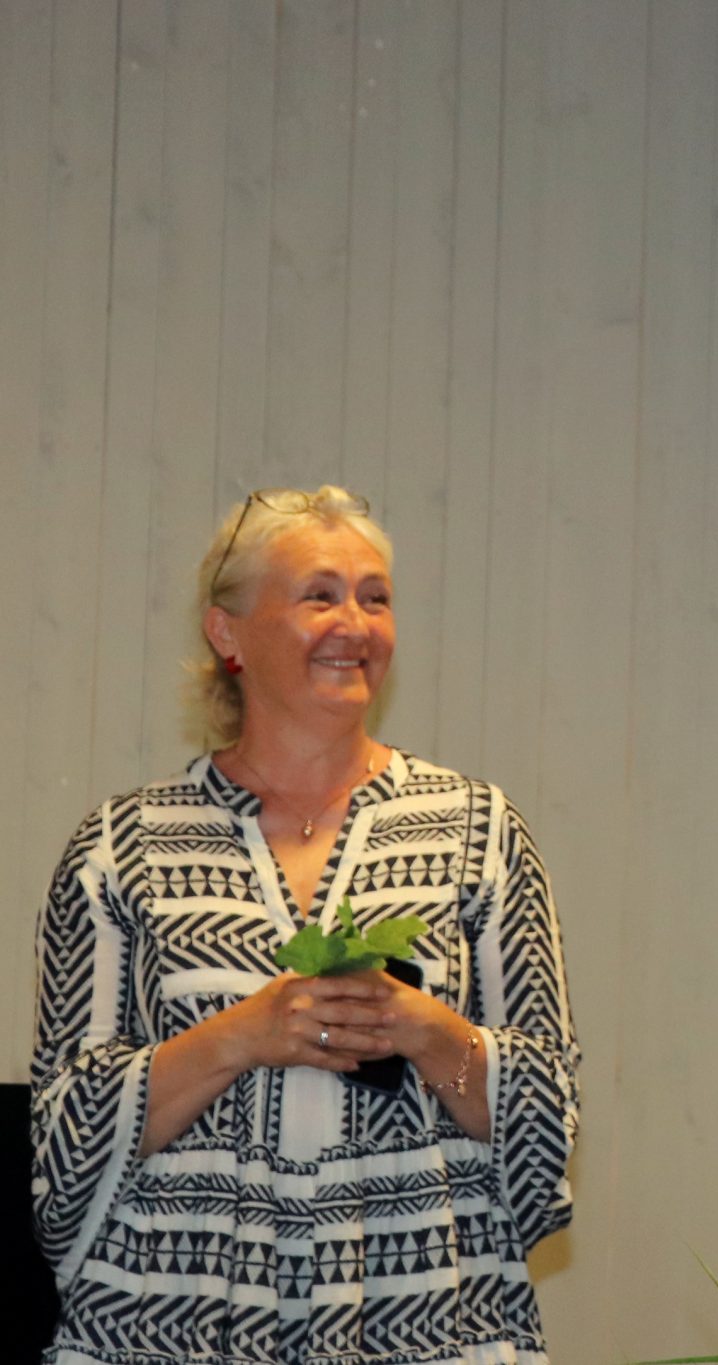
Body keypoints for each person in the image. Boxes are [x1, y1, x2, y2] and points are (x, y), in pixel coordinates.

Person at [30, 487, 579, 1364]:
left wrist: (428, 1031)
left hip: (429, 1324)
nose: (354, 623)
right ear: (229, 633)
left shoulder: (479, 831)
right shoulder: (122, 846)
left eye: (376, 597)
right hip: (172, 1326)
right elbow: (62, 1147)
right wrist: (240, 1035)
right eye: (320, 595)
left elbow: (549, 1121)